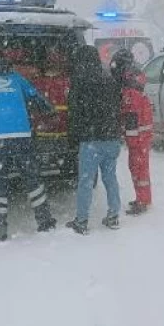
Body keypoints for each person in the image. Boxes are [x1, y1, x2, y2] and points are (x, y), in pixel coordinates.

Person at [0, 48, 57, 242]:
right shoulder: (16, 77)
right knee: (32, 179)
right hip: (22, 136)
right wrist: (50, 111)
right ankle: (45, 221)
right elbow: (38, 99)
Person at [65, 46, 123, 234]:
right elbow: (118, 105)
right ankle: (113, 215)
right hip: (112, 137)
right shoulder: (109, 78)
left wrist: (73, 137)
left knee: (85, 180)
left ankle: (81, 221)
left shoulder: (80, 80)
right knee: (110, 178)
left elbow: (74, 111)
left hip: (91, 139)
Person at [110, 49, 153, 215]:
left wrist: (130, 138)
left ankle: (143, 201)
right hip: (139, 136)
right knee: (136, 167)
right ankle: (142, 198)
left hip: (138, 136)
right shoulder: (133, 82)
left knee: (139, 168)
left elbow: (132, 114)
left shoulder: (130, 89)